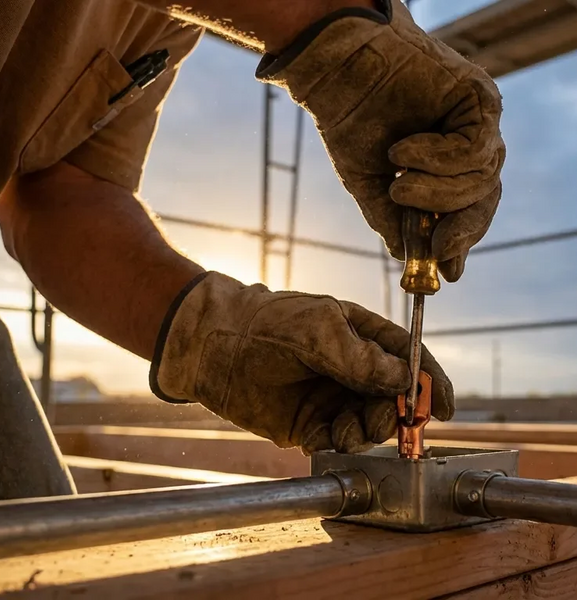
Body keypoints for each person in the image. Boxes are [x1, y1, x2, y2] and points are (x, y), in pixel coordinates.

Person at [0, 0, 505, 497]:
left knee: (43, 530)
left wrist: (212, 333)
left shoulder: (164, 23)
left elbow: (61, 193)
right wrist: (334, 21)